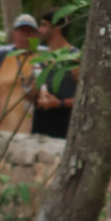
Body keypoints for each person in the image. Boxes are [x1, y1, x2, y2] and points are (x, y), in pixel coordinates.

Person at [31, 10, 79, 139]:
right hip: (39, 131)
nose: (40, 29)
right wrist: (33, 92)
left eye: (44, 25)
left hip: (65, 132)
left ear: (57, 28)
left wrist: (60, 103)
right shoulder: (40, 58)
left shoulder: (75, 58)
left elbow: (87, 99)